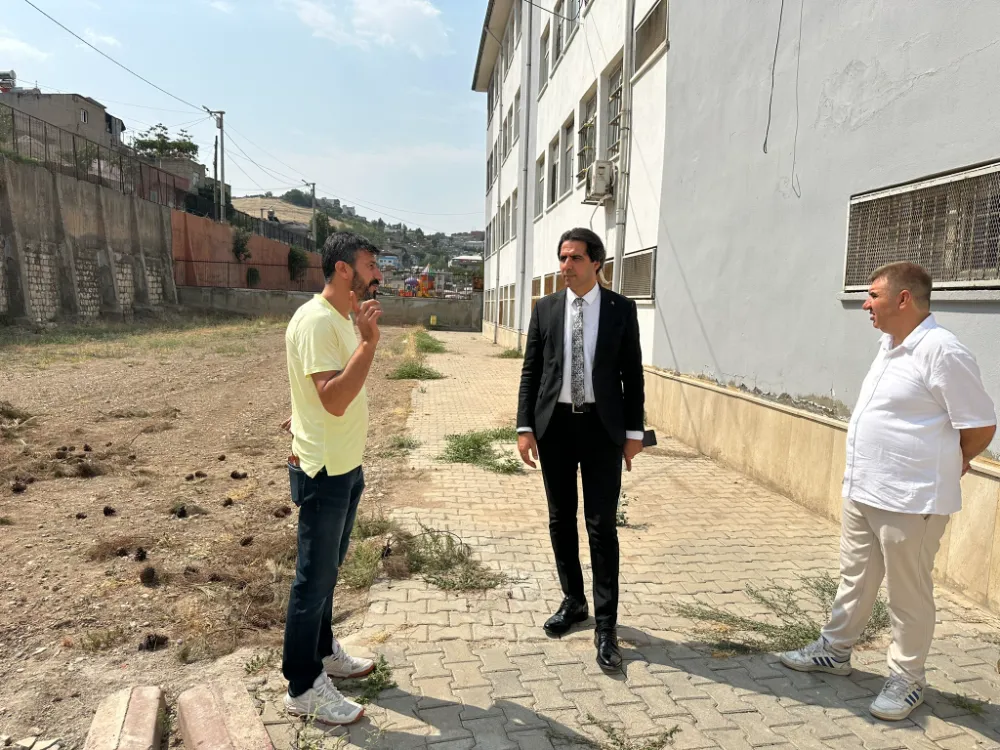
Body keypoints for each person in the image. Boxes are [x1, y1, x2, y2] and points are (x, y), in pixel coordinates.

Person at [779, 261, 996, 721]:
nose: (866, 304)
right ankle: (834, 650)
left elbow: (980, 426)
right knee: (855, 577)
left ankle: (907, 678)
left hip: (911, 499)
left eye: (873, 295)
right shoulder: (890, 345)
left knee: (907, 593)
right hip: (865, 488)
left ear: (903, 299)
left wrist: (952, 462)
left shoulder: (941, 350)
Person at [516, 227, 646, 672]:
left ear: (596, 263)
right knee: (560, 518)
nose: (565, 266)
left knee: (601, 526)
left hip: (602, 429)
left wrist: (634, 433)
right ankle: (574, 600)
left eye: (574, 258)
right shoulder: (546, 308)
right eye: (562, 257)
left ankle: (606, 625)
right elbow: (532, 370)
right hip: (554, 427)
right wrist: (525, 427)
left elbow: (632, 374)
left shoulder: (620, 309)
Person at [281, 231, 384, 725]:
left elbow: (315, 395)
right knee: (313, 579)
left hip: (345, 465)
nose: (377, 274)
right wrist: (368, 344)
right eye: (369, 265)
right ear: (343, 269)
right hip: (324, 471)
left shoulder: (342, 318)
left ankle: (322, 653)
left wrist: (300, 413)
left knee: (328, 572)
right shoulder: (318, 321)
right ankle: (302, 686)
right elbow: (335, 399)